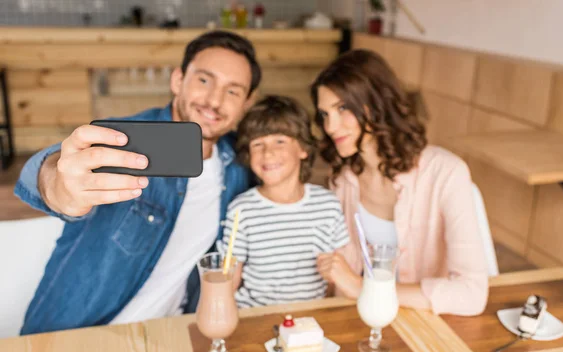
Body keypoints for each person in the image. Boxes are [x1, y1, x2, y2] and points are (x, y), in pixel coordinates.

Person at [14, 31, 261, 334]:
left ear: (247, 103)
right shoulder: (125, 144)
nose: (214, 101)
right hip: (73, 339)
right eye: (204, 80)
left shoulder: (241, 163)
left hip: (171, 337)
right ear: (177, 80)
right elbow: (48, 172)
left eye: (233, 91)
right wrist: (58, 186)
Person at [311, 49, 489, 316]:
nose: (331, 126)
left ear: (377, 104)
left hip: (427, 322)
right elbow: (340, 274)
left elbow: (472, 294)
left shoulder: (446, 172)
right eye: (324, 114)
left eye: (343, 109)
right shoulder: (342, 180)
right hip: (364, 320)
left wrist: (364, 288)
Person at [221, 95, 350, 308]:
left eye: (279, 141)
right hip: (254, 316)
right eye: (257, 144)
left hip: (309, 319)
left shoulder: (328, 205)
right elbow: (229, 279)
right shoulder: (241, 210)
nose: (268, 152)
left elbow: (333, 276)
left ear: (303, 149)